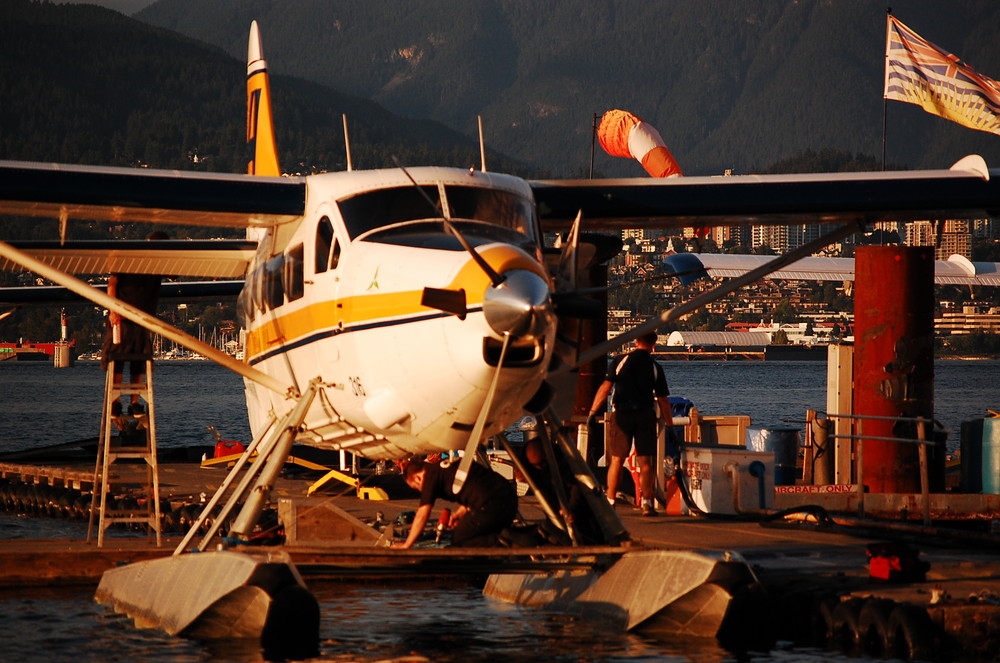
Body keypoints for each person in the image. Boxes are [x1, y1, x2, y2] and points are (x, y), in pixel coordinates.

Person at [588, 331, 672, 516]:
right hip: (645, 414)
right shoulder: (655, 366)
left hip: (622, 414)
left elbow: (606, 387)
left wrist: (593, 411)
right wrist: (670, 424)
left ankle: (610, 500)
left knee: (617, 459)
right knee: (646, 461)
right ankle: (647, 503)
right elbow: (663, 400)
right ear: (653, 344)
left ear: (635, 341)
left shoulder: (620, 361)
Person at [100, 231, 168, 404]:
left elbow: (174, 273)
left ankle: (134, 403)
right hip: (122, 320)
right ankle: (115, 403)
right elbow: (112, 284)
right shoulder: (128, 258)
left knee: (140, 361)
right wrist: (113, 310)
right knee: (117, 361)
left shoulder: (160, 265)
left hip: (142, 320)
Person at [391, 457, 517, 548]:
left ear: (417, 477)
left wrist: (407, 544)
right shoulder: (443, 468)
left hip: (491, 504)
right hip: (506, 498)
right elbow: (474, 488)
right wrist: (457, 515)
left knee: (460, 539)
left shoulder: (429, 476)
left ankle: (505, 543)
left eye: (417, 487)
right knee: (477, 530)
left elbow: (422, 514)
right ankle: (530, 534)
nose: (421, 491)